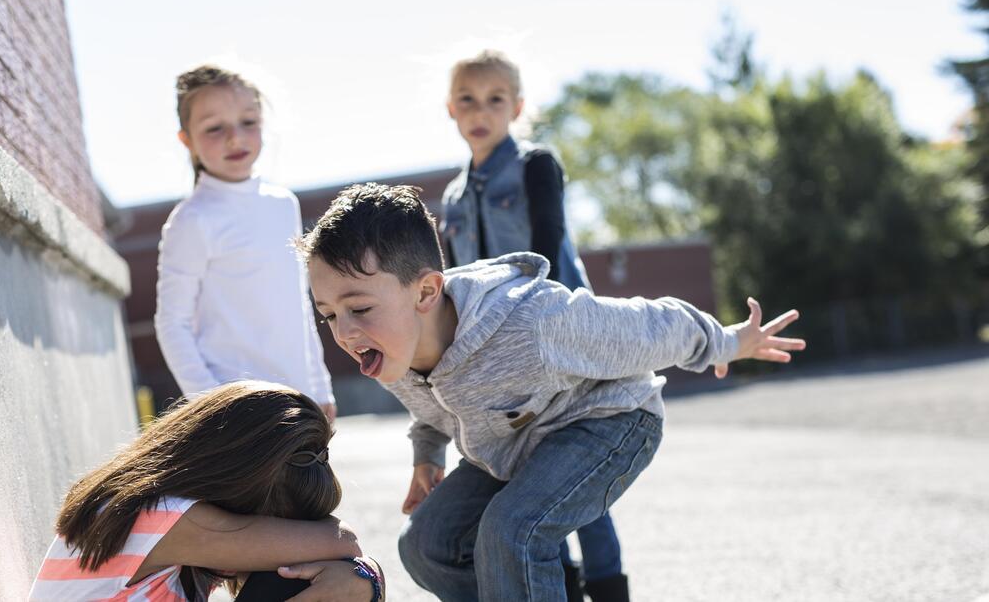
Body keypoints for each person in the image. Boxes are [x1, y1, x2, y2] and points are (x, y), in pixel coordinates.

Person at [298, 183, 804, 601]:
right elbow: (432, 411)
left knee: (512, 531)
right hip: (514, 444)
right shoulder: (399, 350)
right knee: (426, 545)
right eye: (328, 315)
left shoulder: (533, 323)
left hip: (609, 422)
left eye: (358, 308)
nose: (343, 331)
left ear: (426, 292)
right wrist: (426, 455)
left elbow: (652, 325)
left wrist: (728, 342)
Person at [440, 50, 617, 600]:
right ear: (450, 108)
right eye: (468, 99)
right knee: (531, 483)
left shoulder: (536, 165)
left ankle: (612, 589)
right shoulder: (451, 197)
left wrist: (539, 317)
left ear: (516, 106)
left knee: (580, 482)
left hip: (560, 342)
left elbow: (548, 243)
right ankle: (557, 587)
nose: (481, 110)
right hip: (495, 358)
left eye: (495, 99)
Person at [28, 381, 385, 601]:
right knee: (298, 579)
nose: (281, 537)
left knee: (321, 575)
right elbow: (343, 543)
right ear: (237, 484)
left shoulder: (152, 510)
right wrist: (367, 577)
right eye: (276, 524)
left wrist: (365, 580)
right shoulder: (161, 517)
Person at [154, 65, 336, 420]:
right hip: (237, 412)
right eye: (214, 128)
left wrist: (320, 387)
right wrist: (210, 403)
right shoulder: (192, 220)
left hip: (299, 401)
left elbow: (298, 305)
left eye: (248, 122)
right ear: (186, 140)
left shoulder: (284, 204)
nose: (235, 138)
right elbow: (171, 322)